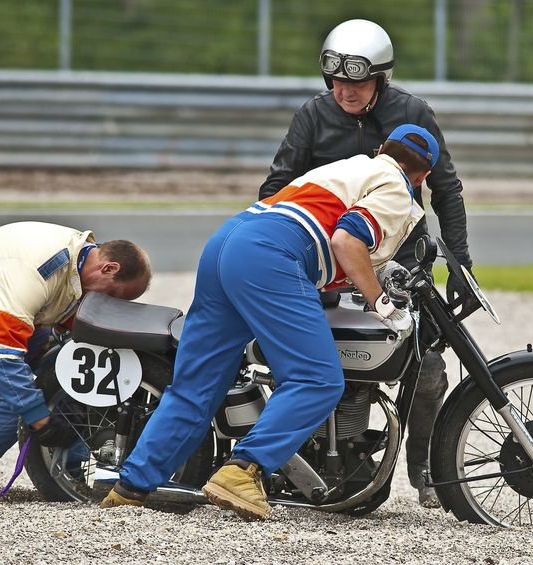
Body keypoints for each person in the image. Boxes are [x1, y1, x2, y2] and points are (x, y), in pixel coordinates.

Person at [100, 124, 439, 520]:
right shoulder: (398, 187)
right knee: (317, 379)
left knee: (196, 386)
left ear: (382, 148)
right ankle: (244, 470)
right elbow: (347, 241)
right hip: (271, 253)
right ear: (423, 176)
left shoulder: (351, 166)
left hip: (228, 241)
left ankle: (130, 487)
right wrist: (381, 304)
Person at [258, 19, 474, 508]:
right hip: (329, 259)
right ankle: (312, 456)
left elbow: (447, 189)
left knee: (429, 366)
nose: (345, 91)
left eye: (356, 81)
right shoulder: (312, 116)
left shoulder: (413, 112)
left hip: (399, 258)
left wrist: (460, 261)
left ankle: (424, 471)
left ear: (381, 78)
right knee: (321, 355)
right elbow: (274, 190)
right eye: (336, 81)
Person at [0, 221, 151, 499]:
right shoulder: (33, 271)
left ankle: (69, 471)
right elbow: (4, 361)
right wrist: (39, 419)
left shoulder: (79, 265)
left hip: (13, 304)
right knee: (13, 401)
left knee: (64, 377)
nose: (109, 305)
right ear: (108, 268)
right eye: (113, 296)